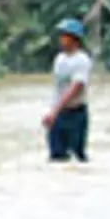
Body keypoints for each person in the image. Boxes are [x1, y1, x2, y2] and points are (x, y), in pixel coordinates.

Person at [41, 18, 92, 163]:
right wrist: (52, 111)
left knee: (76, 157)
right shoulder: (59, 59)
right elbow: (57, 88)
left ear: (74, 39)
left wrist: (54, 111)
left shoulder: (82, 60)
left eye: (64, 35)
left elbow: (75, 88)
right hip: (59, 114)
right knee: (56, 157)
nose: (61, 38)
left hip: (76, 115)